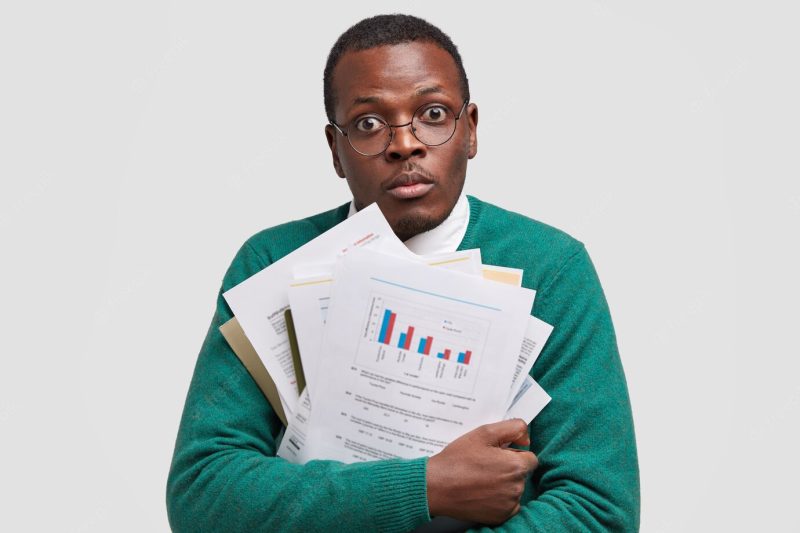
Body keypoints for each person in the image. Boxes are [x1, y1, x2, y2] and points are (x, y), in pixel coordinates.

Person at [166, 14, 639, 532]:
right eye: (369, 123)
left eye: (433, 114)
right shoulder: (273, 260)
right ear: (335, 151)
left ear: (471, 131)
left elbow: (599, 509)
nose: (405, 144)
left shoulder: (552, 268)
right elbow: (202, 495)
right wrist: (427, 486)